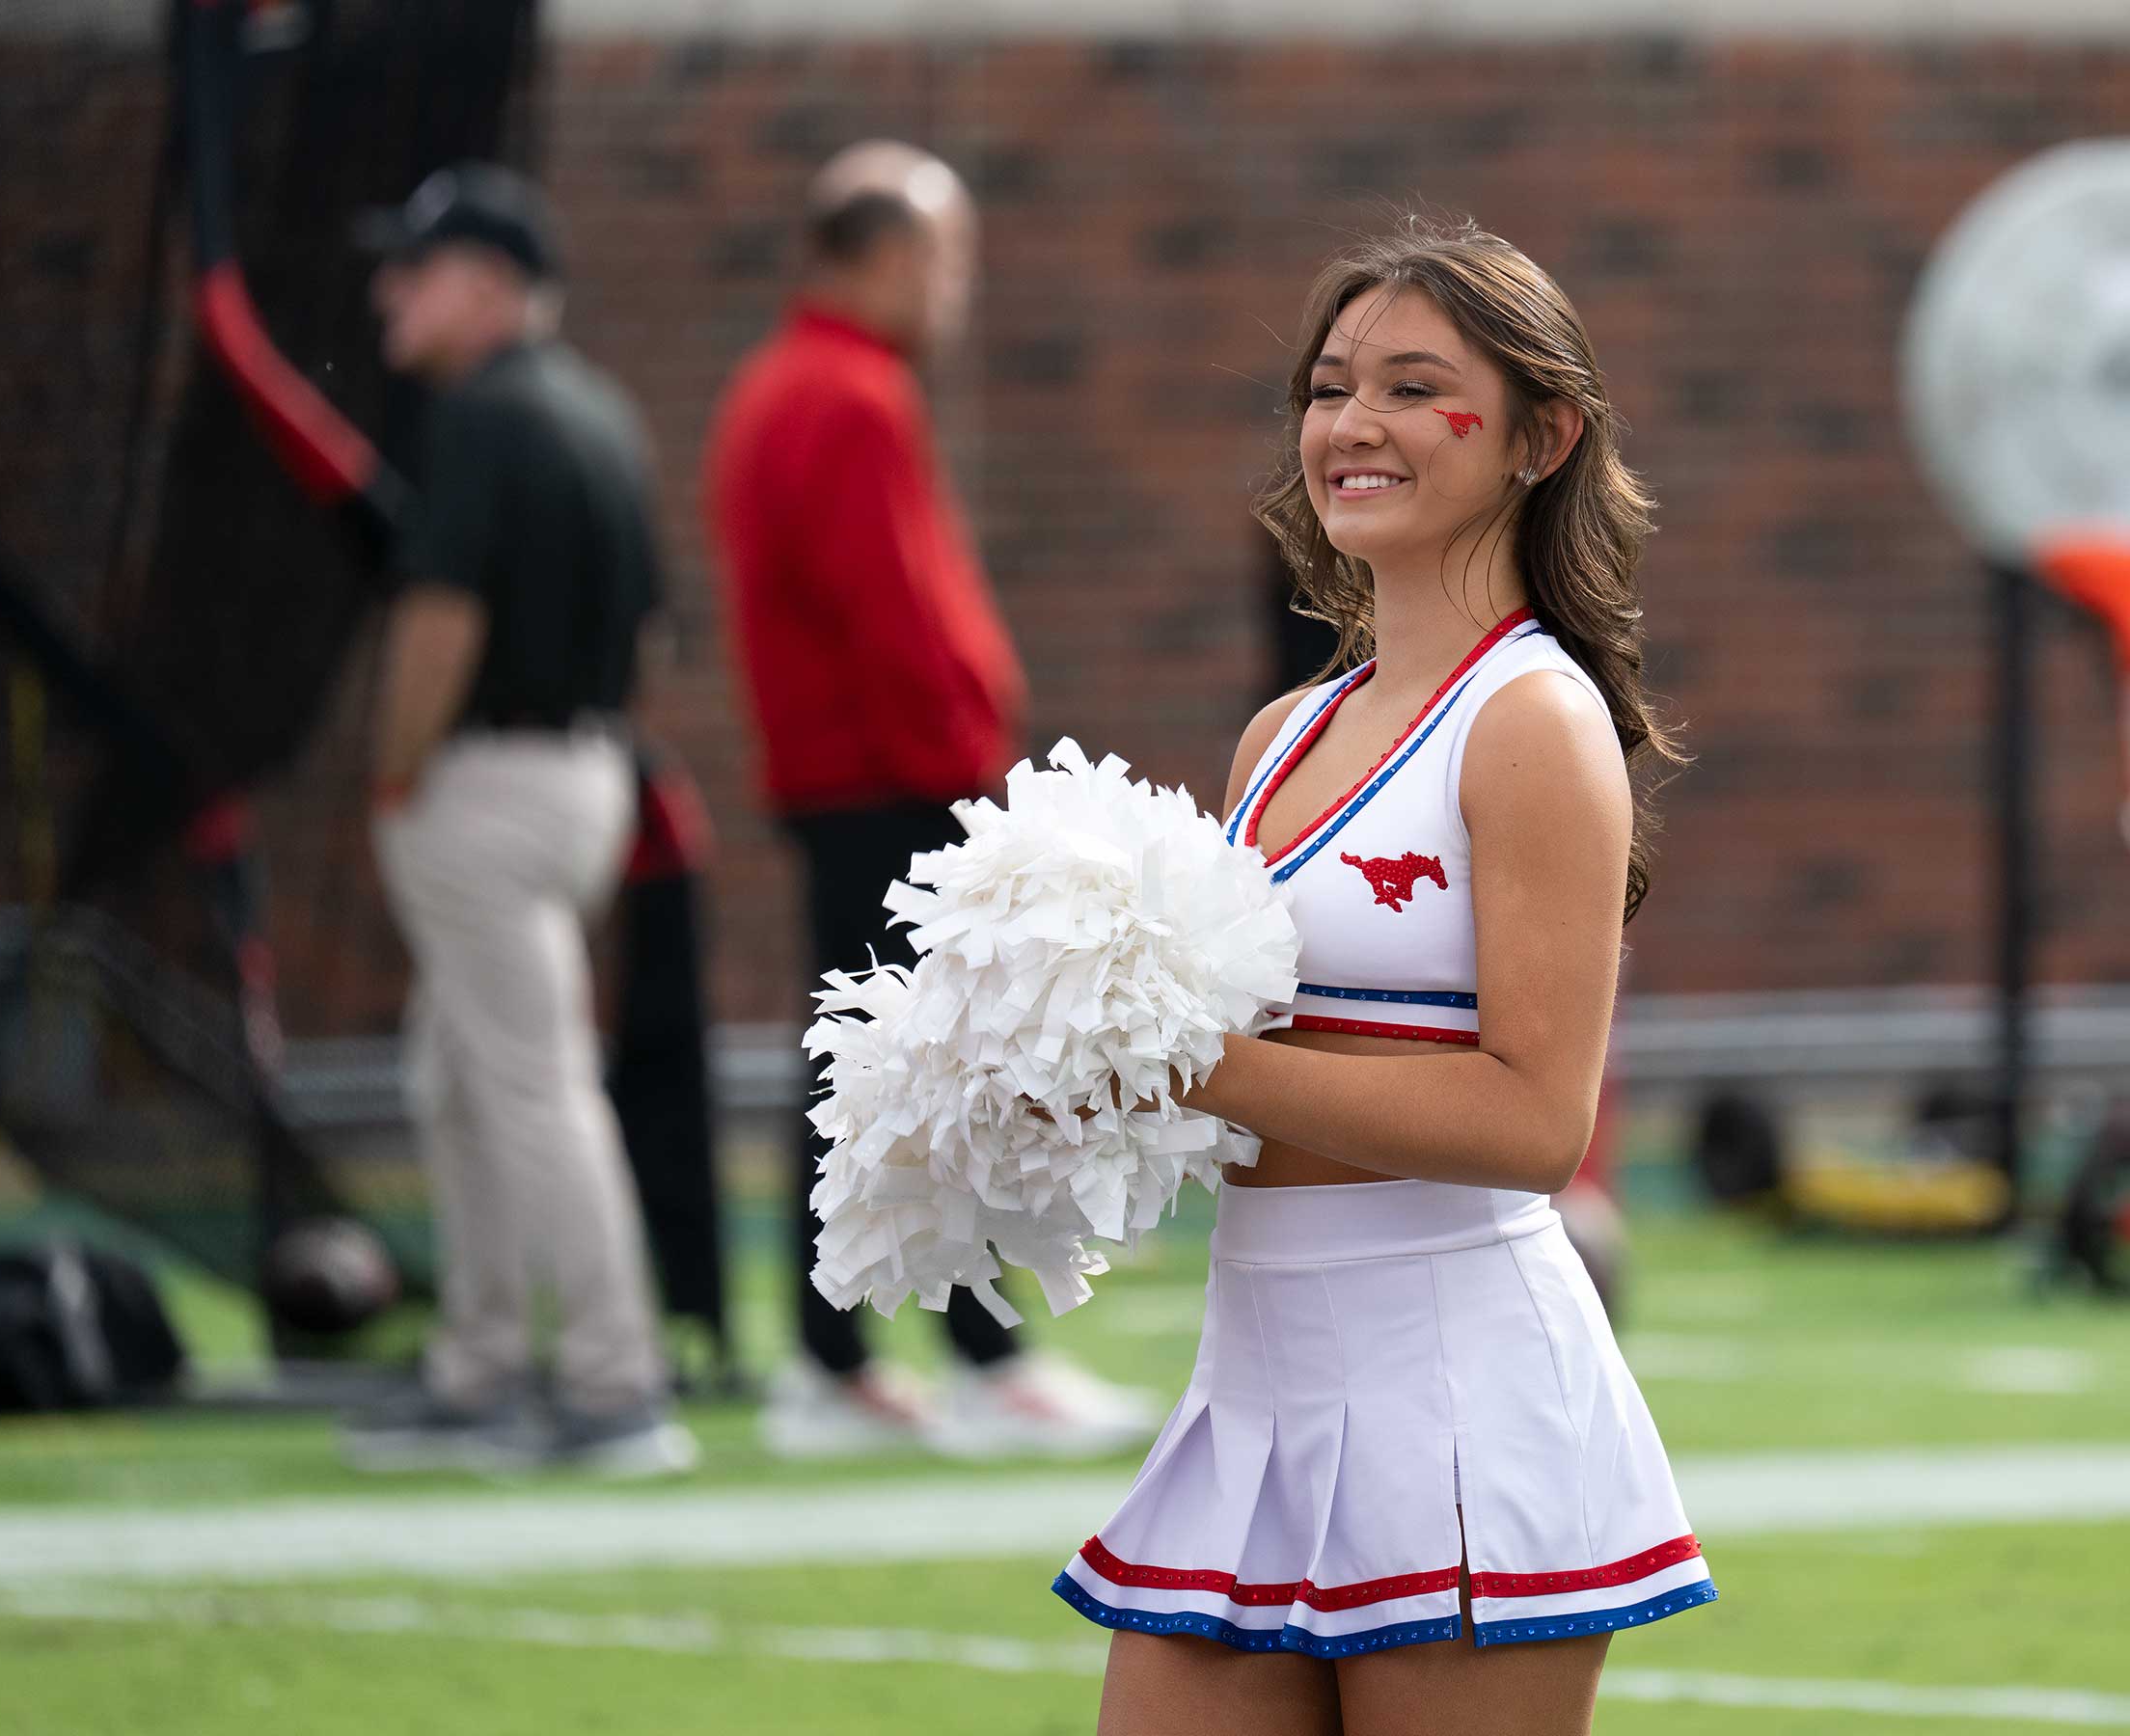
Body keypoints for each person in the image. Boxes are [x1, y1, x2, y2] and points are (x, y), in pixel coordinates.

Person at [1052, 219, 1710, 1733]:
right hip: (1254, 1379)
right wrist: (1054, 1073)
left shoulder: (1532, 722)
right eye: (1331, 386)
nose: (1354, 423)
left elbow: (1536, 1124)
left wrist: (1199, 1064)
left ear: (1542, 436)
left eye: (1416, 389)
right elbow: (1240, 1086)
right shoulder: (1280, 735)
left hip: (1459, 1395)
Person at [706, 141, 1155, 1460]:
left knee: (874, 1065)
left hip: (847, 778)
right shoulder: (848, 394)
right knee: (940, 1069)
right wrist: (974, 774)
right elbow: (896, 613)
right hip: (893, 781)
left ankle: (844, 1359)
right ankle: (974, 1359)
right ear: (888, 256)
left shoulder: (784, 385)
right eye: (946, 258)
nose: (956, 288)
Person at [341, 164, 695, 1476]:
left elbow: (440, 618)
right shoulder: (593, 408)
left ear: (490, 283)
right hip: (584, 772)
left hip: (488, 784)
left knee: (532, 1083)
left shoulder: (483, 417)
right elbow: (652, 633)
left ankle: (613, 1384)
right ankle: (478, 1366)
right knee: (456, 1078)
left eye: (418, 267)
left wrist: (394, 771)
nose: (390, 291)